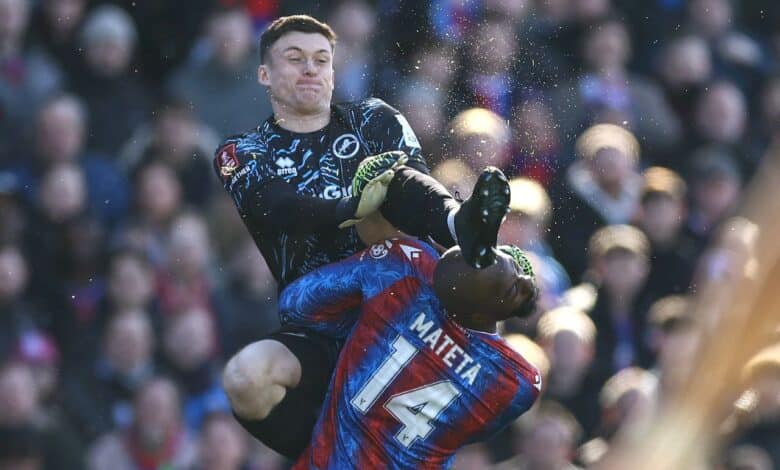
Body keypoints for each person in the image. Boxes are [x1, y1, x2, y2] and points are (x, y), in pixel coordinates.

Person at [217, 15, 510, 458]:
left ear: (334, 72)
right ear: (265, 74)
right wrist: (350, 208)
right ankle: (331, 455)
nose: (310, 69)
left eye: (321, 60)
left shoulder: (372, 118)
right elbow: (276, 208)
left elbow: (410, 195)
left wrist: (385, 207)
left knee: (393, 181)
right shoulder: (241, 151)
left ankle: (461, 225)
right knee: (245, 378)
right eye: (294, 59)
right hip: (320, 327)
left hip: (404, 318)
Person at [273, 218, 540, 468]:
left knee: (256, 377)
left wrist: (361, 328)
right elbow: (475, 431)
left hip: (325, 457)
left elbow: (294, 304)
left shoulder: (405, 269)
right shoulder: (516, 381)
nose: (525, 280)